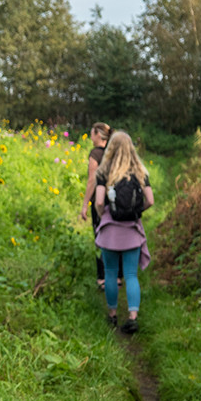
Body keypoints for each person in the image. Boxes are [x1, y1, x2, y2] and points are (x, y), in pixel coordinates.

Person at [94, 130, 153, 334]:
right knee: (131, 274)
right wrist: (136, 212)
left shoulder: (104, 172)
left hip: (110, 230)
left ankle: (112, 315)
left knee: (110, 273)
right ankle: (133, 318)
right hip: (132, 232)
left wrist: (105, 217)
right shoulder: (140, 171)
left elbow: (100, 201)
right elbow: (150, 200)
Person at [79, 122, 121, 289]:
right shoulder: (115, 152)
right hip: (117, 200)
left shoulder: (95, 154)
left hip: (100, 201)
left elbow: (92, 181)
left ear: (98, 135)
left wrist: (84, 205)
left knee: (101, 237)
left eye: (92, 133)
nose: (90, 137)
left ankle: (103, 278)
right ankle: (118, 276)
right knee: (117, 236)